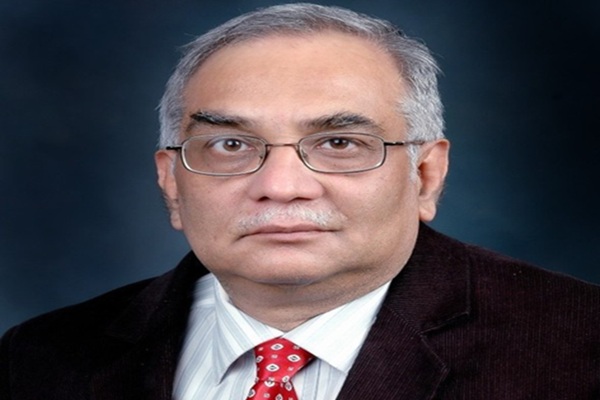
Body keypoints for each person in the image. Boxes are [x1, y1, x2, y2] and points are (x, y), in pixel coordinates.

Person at [1, 3, 598, 399]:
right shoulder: (39, 360)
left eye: (339, 143)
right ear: (172, 183)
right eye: (231, 144)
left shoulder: (578, 348)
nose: (282, 185)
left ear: (425, 175)